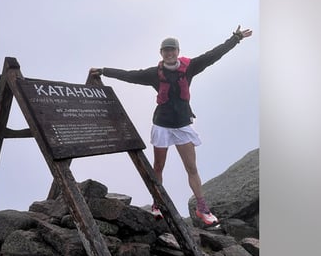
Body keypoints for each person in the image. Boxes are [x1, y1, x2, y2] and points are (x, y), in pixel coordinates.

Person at [90, 25, 253, 229]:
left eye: (172, 50)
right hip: (162, 126)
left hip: (183, 125)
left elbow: (213, 55)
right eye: (166, 50)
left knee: (191, 168)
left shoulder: (191, 67)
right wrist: (104, 71)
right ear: (161, 53)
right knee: (158, 166)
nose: (169, 53)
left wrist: (235, 38)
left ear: (177, 51)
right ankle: (157, 203)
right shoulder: (154, 74)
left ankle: (202, 209)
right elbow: (130, 75)